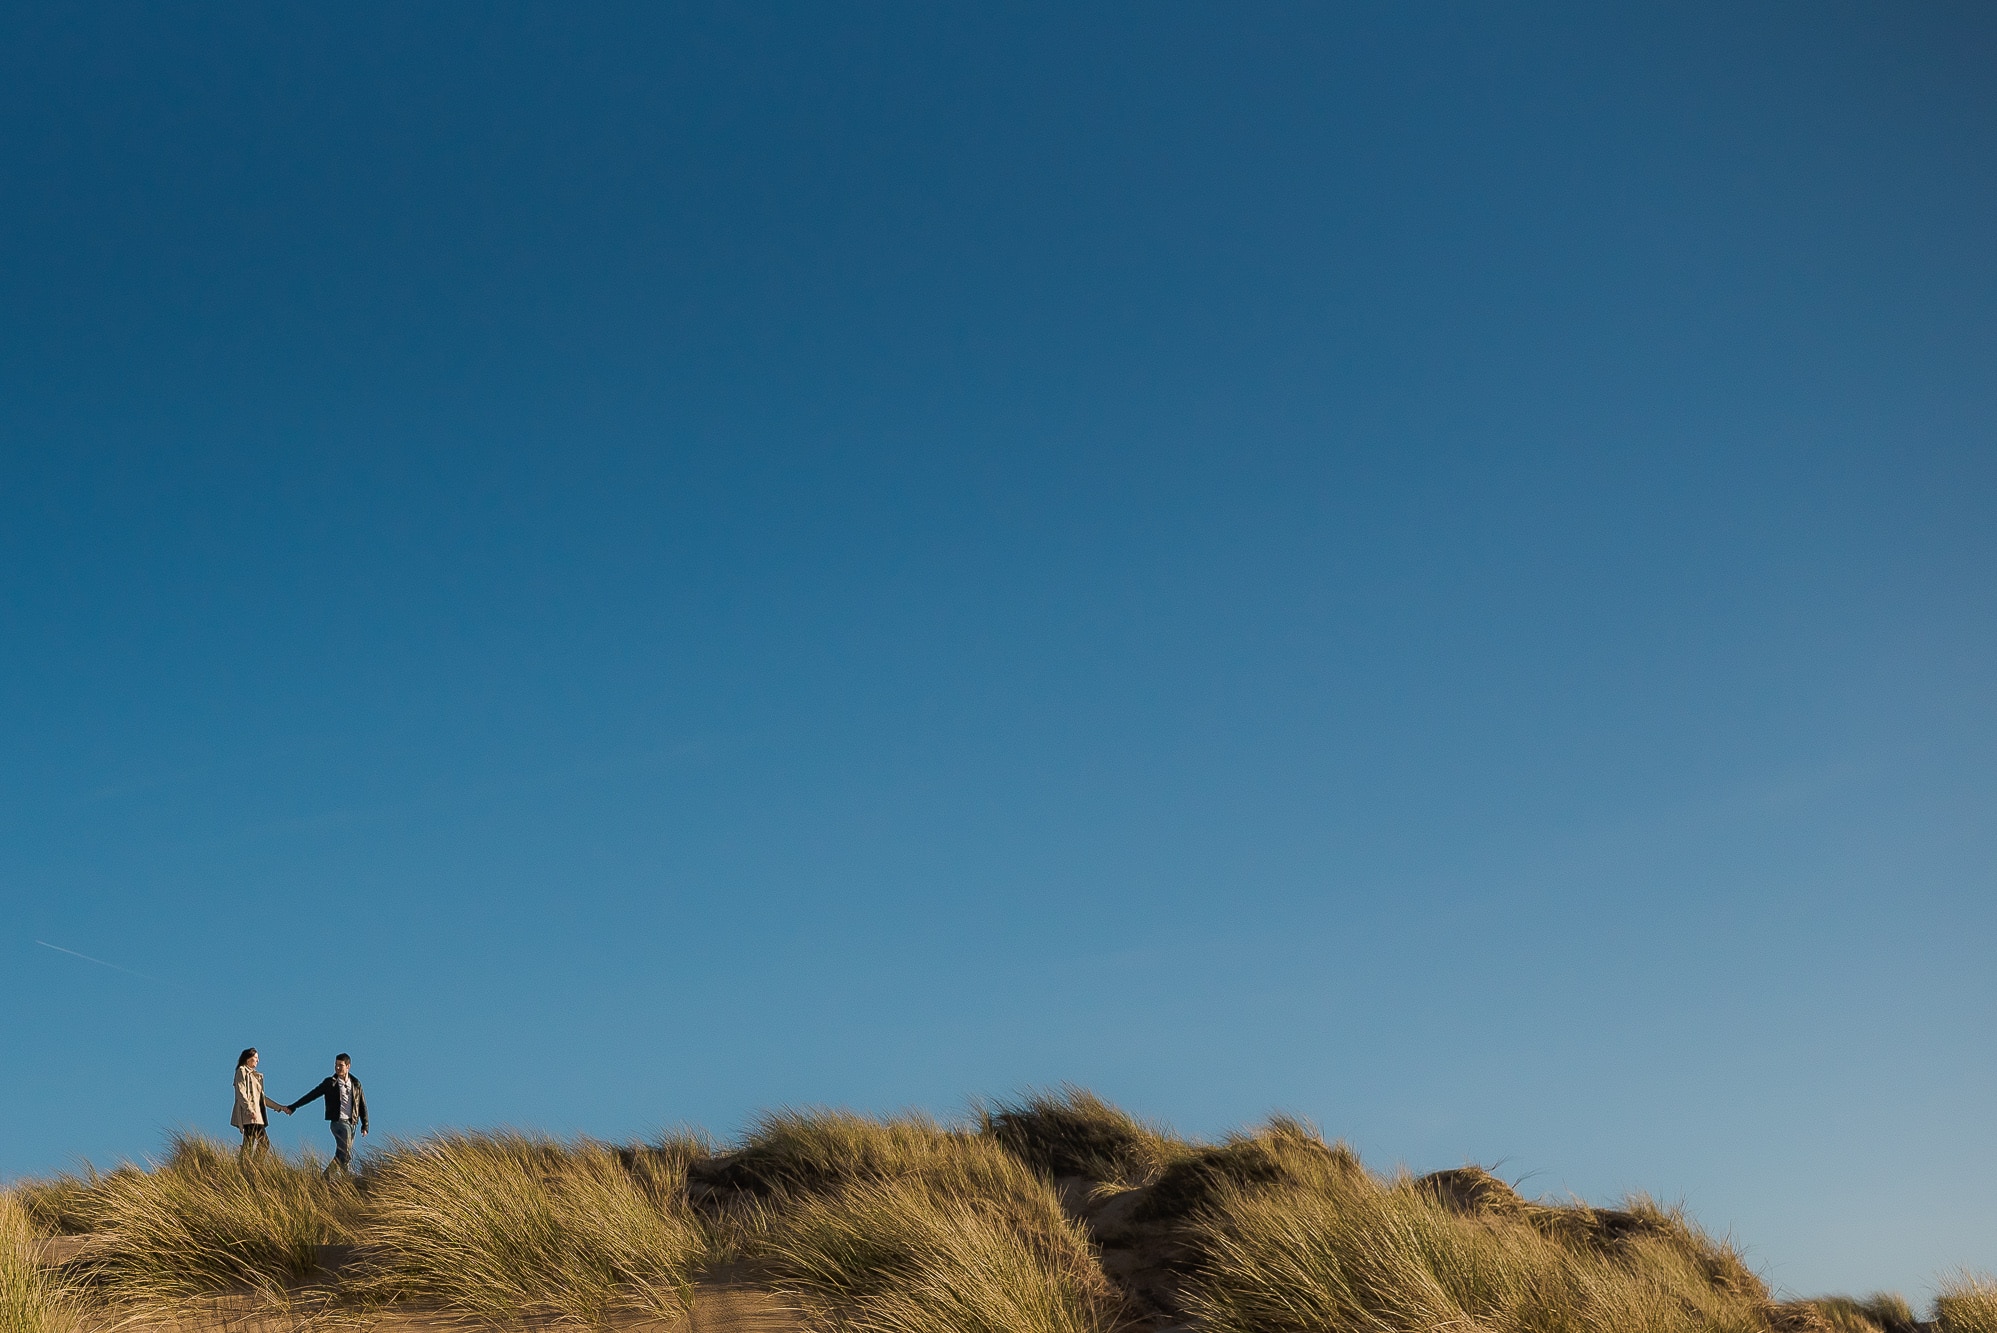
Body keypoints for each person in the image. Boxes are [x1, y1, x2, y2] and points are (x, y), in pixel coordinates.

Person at [285, 1053, 369, 1176]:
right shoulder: (330, 1083)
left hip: (352, 1124)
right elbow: (312, 1095)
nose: (337, 1068)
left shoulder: (356, 1083)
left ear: (348, 1066)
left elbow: (362, 1104)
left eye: (341, 1065)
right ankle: (349, 1175)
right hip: (338, 1122)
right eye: (336, 1065)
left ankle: (325, 1178)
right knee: (345, 1152)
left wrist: (365, 1124)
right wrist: (294, 1106)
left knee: (340, 1154)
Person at [231, 1048, 290, 1158]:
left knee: (248, 1145)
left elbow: (262, 1098)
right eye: (255, 1058)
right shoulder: (242, 1071)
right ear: (248, 1059)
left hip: (256, 1115)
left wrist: (280, 1107)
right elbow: (241, 1092)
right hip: (249, 1115)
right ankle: (255, 1167)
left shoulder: (255, 1076)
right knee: (263, 1143)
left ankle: (246, 1168)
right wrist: (249, 1109)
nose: (257, 1061)